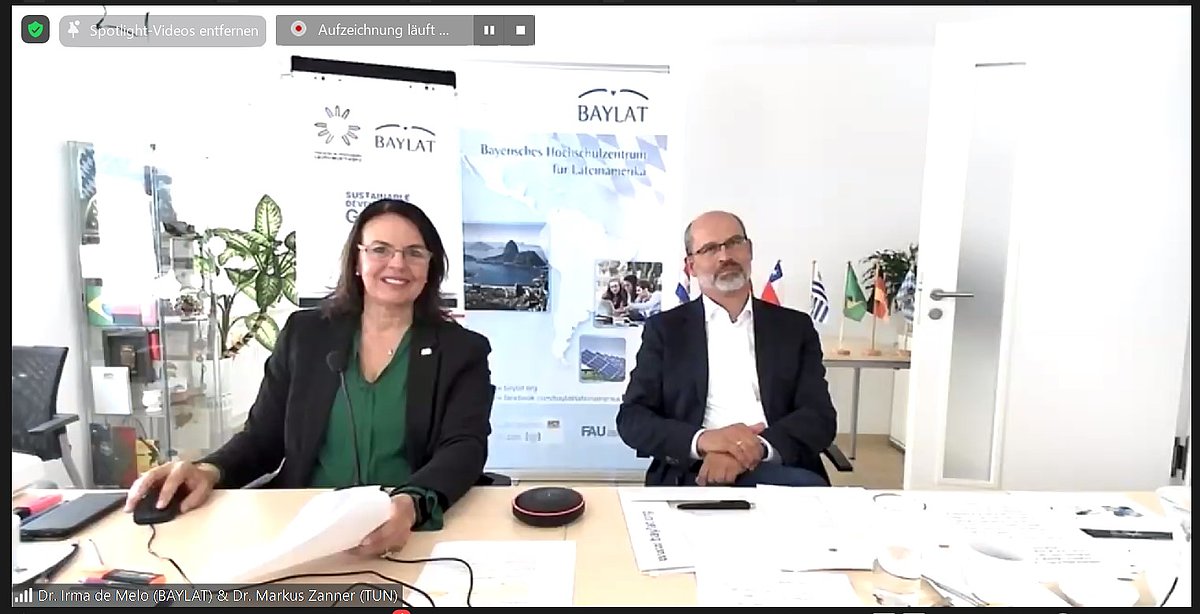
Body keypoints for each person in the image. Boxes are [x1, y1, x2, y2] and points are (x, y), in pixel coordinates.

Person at [125, 199, 494, 555]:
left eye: (414, 252)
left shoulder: (462, 350)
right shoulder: (306, 335)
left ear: (430, 266)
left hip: (405, 530)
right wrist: (209, 470)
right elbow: (263, 438)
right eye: (380, 249)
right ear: (357, 260)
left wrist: (411, 504)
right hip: (303, 527)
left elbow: (464, 447)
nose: (398, 263)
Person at [616, 211, 837, 487]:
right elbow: (633, 418)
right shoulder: (666, 330)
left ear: (749, 250)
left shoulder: (794, 328)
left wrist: (754, 449)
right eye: (709, 248)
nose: (725, 256)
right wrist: (704, 441)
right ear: (691, 266)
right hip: (693, 473)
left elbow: (819, 416)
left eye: (734, 243)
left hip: (779, 468)